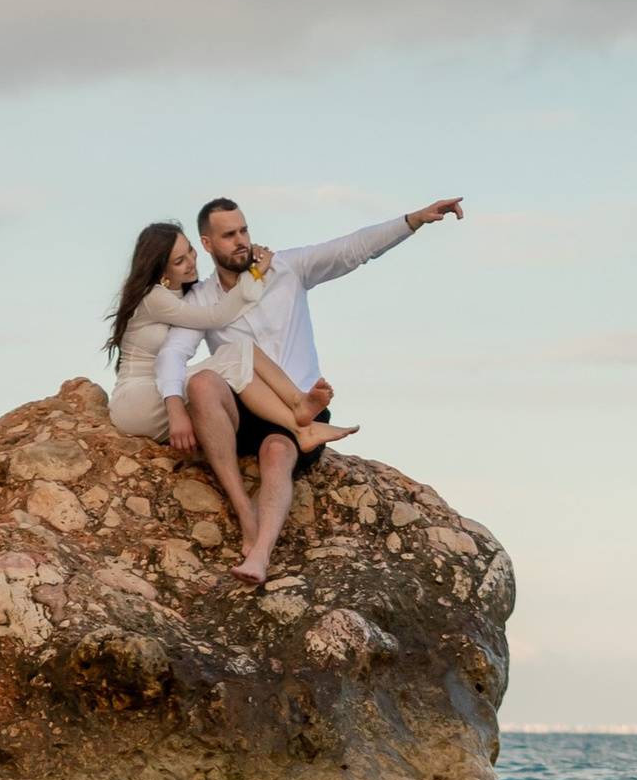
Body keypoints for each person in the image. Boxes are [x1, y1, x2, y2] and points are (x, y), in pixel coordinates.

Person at [158, 194, 464, 582]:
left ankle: (260, 555)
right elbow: (173, 353)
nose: (241, 241)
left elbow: (352, 249)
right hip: (242, 407)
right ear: (207, 243)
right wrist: (174, 407)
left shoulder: (288, 268)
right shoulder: (202, 298)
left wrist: (413, 220)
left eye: (244, 230)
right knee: (202, 382)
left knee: (276, 451)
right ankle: (244, 512)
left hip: (300, 402)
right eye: (229, 235)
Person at [101, 223, 350, 474]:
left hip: (152, 396)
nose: (191, 261)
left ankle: (299, 419)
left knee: (236, 360)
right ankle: (298, 410)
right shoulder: (154, 296)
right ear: (161, 268)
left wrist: (252, 278)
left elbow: (225, 310)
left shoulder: (179, 296)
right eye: (179, 261)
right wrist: (255, 274)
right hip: (137, 401)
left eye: (190, 250)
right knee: (237, 353)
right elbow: (218, 316)